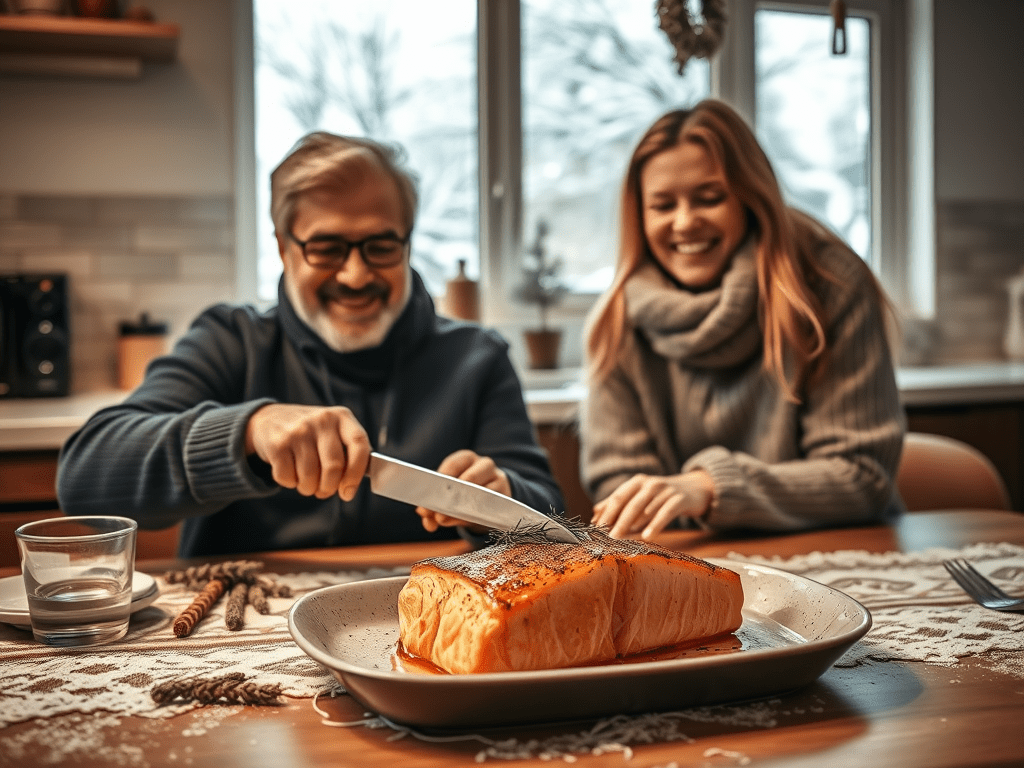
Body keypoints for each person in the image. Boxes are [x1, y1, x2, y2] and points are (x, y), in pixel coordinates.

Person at [57, 132, 564, 557]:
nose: (356, 273)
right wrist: (249, 430)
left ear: (408, 241)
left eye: (380, 246)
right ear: (282, 245)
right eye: (326, 247)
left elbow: (551, 516)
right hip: (236, 634)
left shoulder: (476, 358)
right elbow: (85, 479)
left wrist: (502, 496)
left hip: (417, 630)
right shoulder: (231, 341)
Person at [582, 99, 905, 540]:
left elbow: (862, 477)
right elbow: (625, 496)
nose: (685, 222)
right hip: (696, 558)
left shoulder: (828, 284)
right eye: (662, 205)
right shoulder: (615, 322)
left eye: (709, 198)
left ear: (751, 199)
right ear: (639, 215)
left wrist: (710, 487)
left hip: (839, 548)